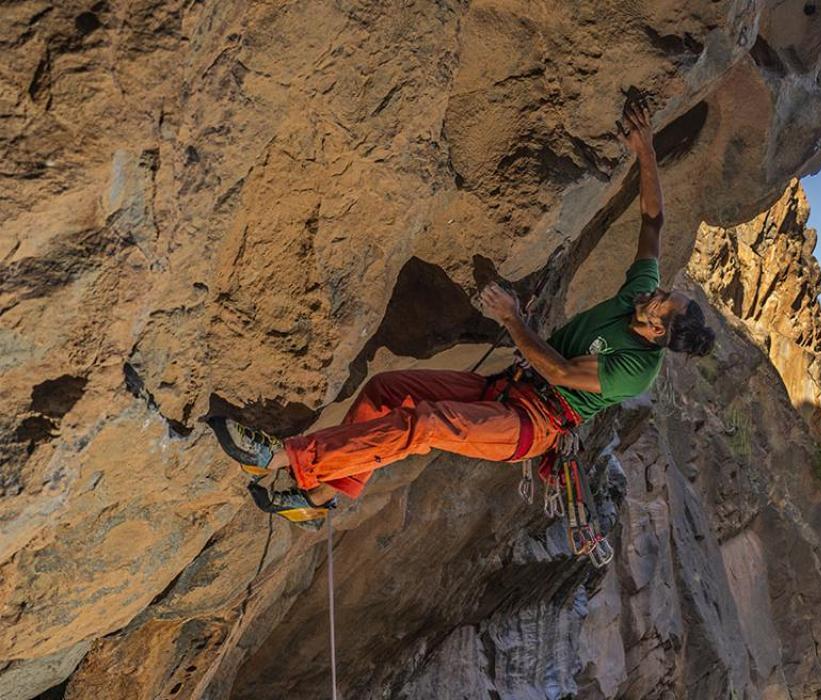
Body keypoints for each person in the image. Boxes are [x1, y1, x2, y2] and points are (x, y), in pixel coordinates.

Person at [210, 100, 715, 525]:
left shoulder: (636, 369)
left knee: (425, 425)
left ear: (657, 329)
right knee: (389, 391)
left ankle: (279, 457)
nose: (652, 293)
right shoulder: (641, 296)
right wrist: (645, 151)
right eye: (662, 292)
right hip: (512, 389)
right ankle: (320, 496)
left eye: (660, 302)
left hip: (529, 425)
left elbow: (559, 370)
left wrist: (513, 318)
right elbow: (653, 221)